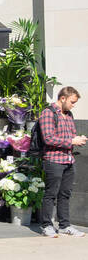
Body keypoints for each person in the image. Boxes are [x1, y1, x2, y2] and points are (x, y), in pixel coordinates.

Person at [38, 85, 87, 237]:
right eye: (72, 102)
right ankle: (47, 225)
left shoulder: (69, 115)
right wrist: (72, 141)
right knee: (50, 194)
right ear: (63, 98)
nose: (73, 105)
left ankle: (65, 226)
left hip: (68, 160)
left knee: (65, 194)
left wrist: (78, 139)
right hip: (53, 160)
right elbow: (49, 138)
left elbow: (71, 134)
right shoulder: (48, 113)